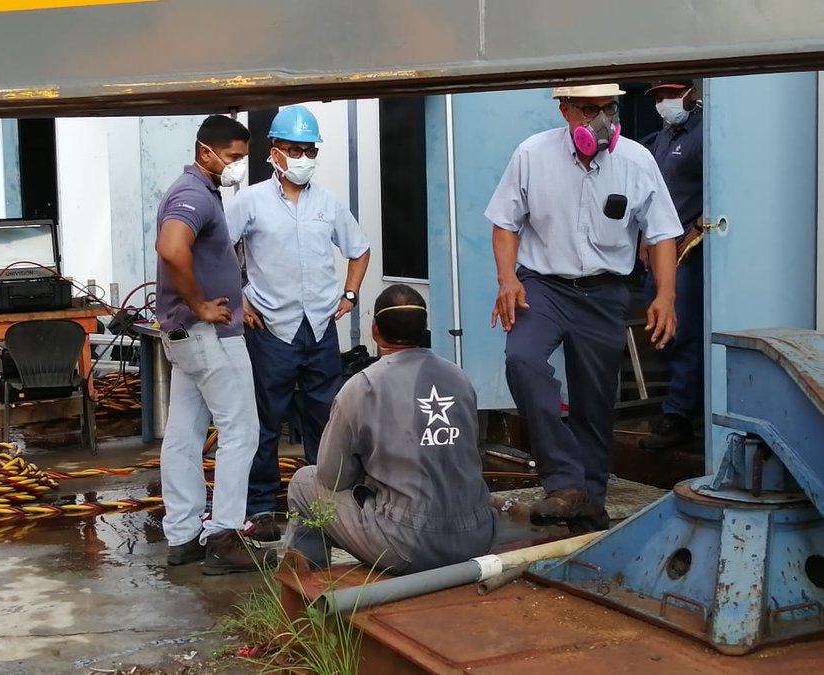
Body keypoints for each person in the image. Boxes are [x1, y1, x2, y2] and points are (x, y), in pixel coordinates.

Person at [485, 84, 682, 533]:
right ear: (565, 110)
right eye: (589, 110)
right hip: (543, 286)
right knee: (523, 361)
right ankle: (564, 481)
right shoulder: (532, 154)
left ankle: (588, 507)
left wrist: (665, 296)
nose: (602, 120)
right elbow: (504, 223)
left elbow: (662, 233)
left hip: (605, 291)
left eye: (608, 108)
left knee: (595, 402)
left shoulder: (636, 160)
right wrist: (507, 279)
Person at [227, 105, 371, 542]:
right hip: (270, 328)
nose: (303, 158)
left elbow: (359, 249)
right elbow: (218, 252)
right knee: (264, 420)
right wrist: (239, 300)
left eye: (310, 150)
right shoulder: (250, 201)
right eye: (294, 150)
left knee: (324, 420)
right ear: (274, 151)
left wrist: (349, 295)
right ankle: (260, 506)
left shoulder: (328, 203)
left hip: (320, 328)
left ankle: (324, 504)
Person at [284, 284, 497, 573]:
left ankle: (309, 585)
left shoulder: (363, 386)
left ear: (374, 330)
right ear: (423, 329)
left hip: (408, 545)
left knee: (304, 483)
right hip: (478, 536)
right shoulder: (459, 377)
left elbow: (332, 477)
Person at [155, 115, 274, 574]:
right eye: (232, 157)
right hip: (209, 335)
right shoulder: (192, 195)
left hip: (188, 339)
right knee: (240, 431)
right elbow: (172, 248)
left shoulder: (199, 192)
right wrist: (200, 304)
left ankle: (183, 535)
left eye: (242, 157)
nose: (238, 165)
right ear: (205, 152)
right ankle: (225, 537)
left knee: (184, 435)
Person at [639, 79, 704, 450]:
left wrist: (697, 229)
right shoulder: (662, 138)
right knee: (661, 330)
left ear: (691, 93)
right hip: (658, 248)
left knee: (683, 330)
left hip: (686, 251)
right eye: (659, 97)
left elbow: (723, 184)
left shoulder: (704, 135)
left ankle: (679, 414)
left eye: (671, 95)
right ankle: (676, 408)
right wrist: (644, 241)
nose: (665, 102)